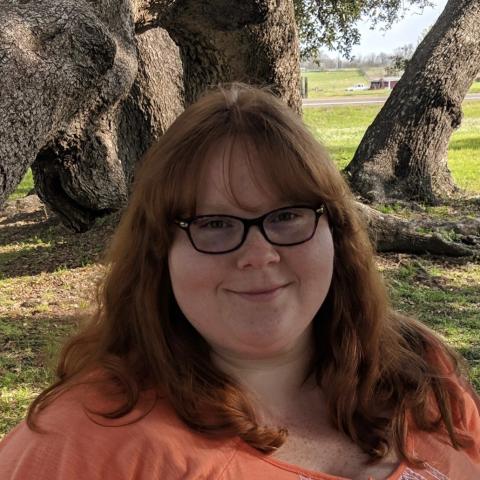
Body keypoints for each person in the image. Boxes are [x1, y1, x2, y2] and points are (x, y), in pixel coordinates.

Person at [0, 83, 479, 480]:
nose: (259, 255)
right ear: (159, 253)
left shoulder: (420, 374)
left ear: (334, 231)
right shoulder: (86, 438)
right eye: (213, 224)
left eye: (288, 215)